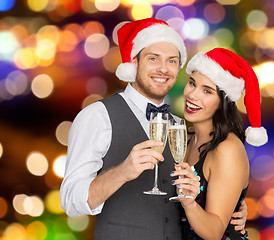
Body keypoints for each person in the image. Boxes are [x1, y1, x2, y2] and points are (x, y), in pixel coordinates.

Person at [60, 18, 248, 239]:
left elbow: (211, 189)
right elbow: (71, 202)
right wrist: (122, 172)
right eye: (153, 58)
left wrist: (235, 208)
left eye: (172, 61)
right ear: (135, 62)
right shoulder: (98, 116)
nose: (163, 69)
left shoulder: (179, 127)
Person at [171, 48, 268, 239]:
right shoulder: (184, 137)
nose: (192, 95)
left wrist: (189, 203)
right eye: (192, 84)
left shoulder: (227, 149)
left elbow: (215, 232)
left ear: (223, 101)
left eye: (207, 91)